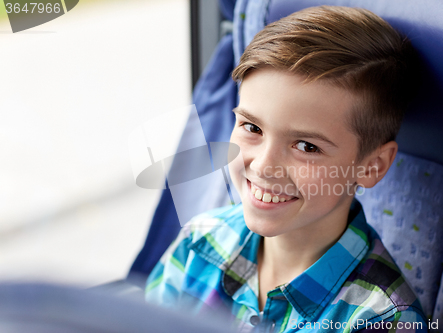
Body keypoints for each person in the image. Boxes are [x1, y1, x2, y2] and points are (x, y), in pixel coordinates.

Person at [146, 6, 427, 332]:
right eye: (252, 127)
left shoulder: (382, 321)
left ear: (371, 166)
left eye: (307, 147)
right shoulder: (200, 242)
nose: (264, 166)